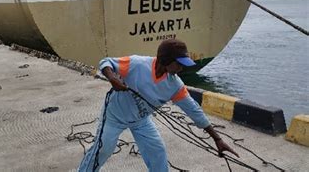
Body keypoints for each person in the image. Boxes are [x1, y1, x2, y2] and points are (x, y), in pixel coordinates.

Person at [78, 39, 238, 171]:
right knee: (103, 149)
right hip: (115, 116)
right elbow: (106, 62)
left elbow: (194, 110)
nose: (181, 68)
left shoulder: (175, 85)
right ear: (165, 60)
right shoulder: (137, 64)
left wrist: (217, 139)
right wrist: (112, 78)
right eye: (179, 63)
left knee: (158, 152)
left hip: (141, 120)